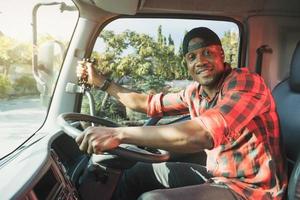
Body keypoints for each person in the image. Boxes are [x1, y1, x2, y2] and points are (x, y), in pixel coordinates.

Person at [76, 27, 287, 200]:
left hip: (254, 191)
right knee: (137, 172)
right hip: (220, 179)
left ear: (221, 55)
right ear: (187, 64)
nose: (200, 61)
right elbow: (146, 103)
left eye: (208, 52)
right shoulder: (194, 93)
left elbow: (202, 133)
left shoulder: (245, 82)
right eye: (192, 56)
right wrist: (102, 83)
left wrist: (118, 134)